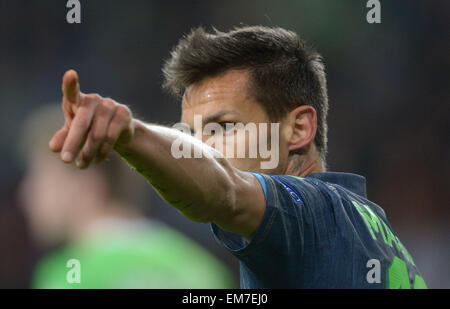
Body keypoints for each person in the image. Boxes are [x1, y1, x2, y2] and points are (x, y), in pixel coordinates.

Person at [48, 26, 427, 288]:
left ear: (298, 129)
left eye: (223, 127)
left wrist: (131, 134)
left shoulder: (308, 215)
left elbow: (225, 189)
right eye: (191, 134)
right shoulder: (368, 227)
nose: (198, 149)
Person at [18, 104, 235, 289]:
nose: (25, 194)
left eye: (38, 176)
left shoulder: (70, 274)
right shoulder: (201, 269)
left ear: (86, 183)